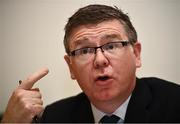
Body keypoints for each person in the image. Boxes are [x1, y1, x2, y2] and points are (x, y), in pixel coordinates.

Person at [1, 4, 180, 123]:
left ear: (136, 54)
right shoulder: (54, 117)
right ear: (71, 67)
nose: (100, 60)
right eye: (85, 50)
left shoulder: (174, 105)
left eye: (111, 45)